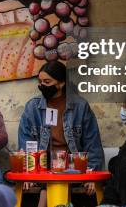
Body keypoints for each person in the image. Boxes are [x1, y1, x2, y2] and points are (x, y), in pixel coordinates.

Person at [19, 60, 104, 206]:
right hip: (43, 168)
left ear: (61, 83)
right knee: (48, 180)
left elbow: (93, 144)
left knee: (58, 180)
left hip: (73, 168)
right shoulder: (32, 107)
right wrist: (28, 173)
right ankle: (45, 196)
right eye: (40, 81)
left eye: (47, 81)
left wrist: (92, 174)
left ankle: (44, 198)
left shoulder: (80, 106)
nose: (41, 86)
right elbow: (26, 143)